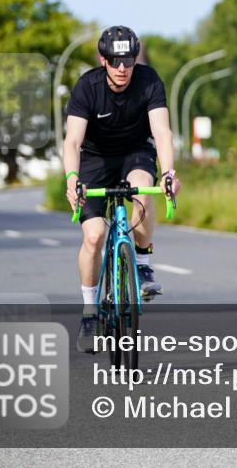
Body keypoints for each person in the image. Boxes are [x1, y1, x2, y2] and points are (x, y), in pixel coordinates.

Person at [63, 26, 181, 353]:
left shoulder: (149, 81)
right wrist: (72, 177)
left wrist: (169, 173)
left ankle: (141, 263)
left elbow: (162, 133)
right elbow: (72, 141)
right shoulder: (88, 86)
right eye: (115, 61)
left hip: (135, 153)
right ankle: (89, 313)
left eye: (128, 60)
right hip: (95, 160)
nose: (122, 68)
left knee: (143, 187)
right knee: (94, 236)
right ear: (103, 59)